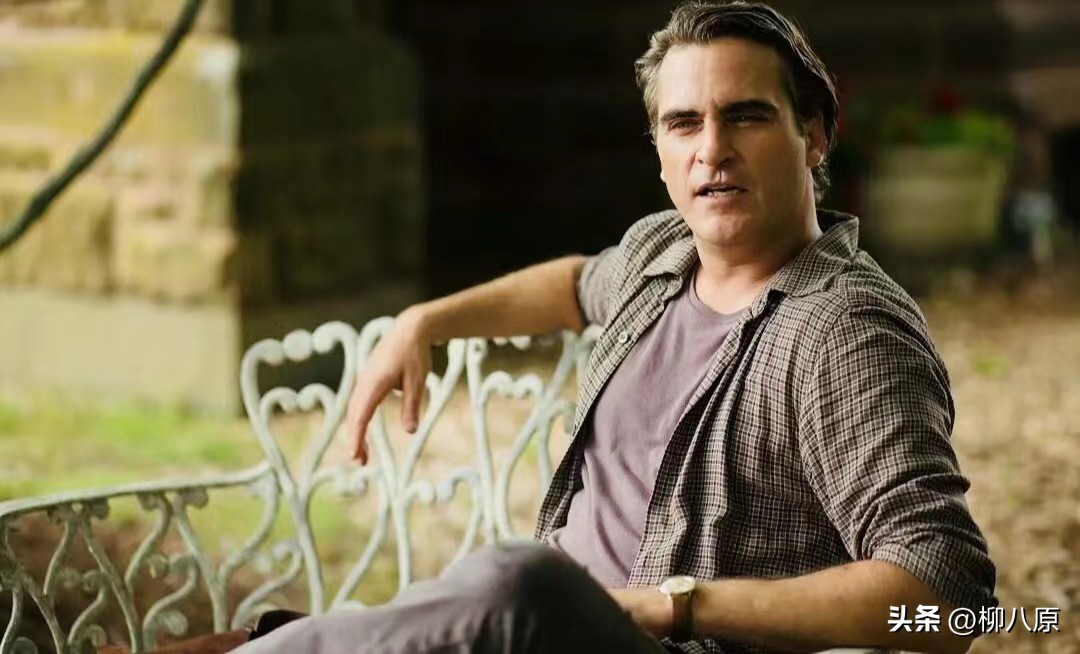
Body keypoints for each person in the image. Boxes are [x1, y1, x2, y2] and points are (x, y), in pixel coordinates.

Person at [232, 1, 996, 653]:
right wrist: (428, 320)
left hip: (639, 638)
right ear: (660, 152)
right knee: (503, 590)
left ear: (816, 135)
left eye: (746, 116)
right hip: (537, 631)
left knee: (519, 580)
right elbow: (571, 284)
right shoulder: (662, 253)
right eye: (683, 123)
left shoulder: (846, 329)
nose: (712, 150)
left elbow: (948, 593)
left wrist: (676, 605)